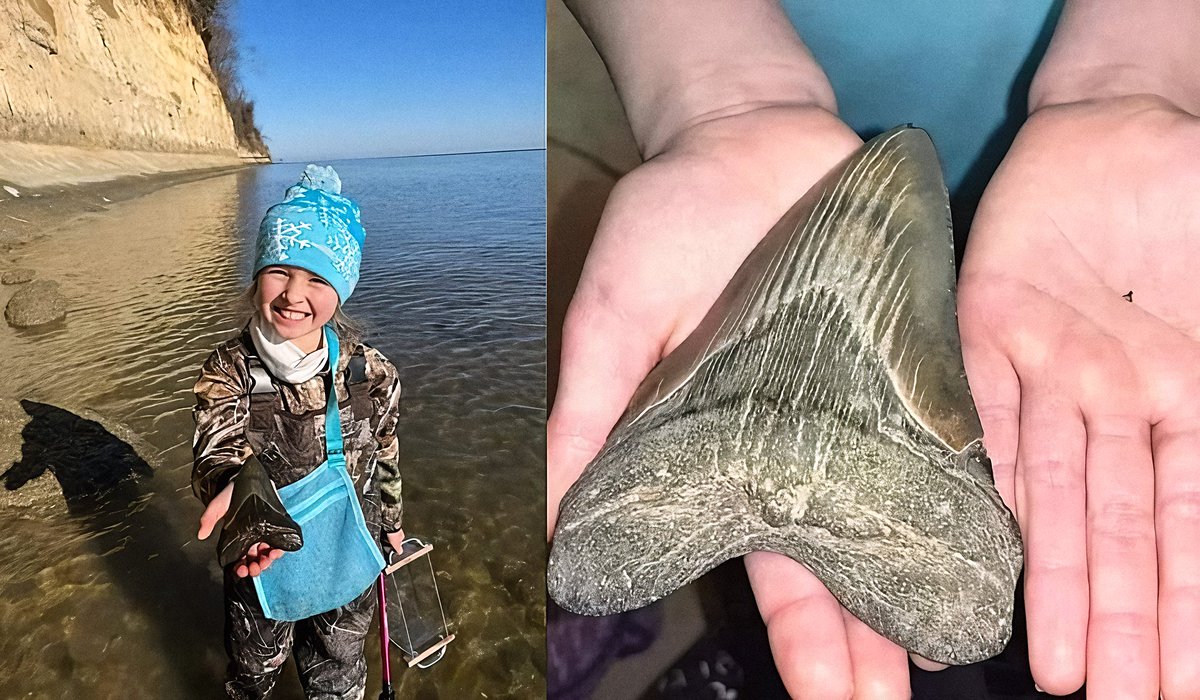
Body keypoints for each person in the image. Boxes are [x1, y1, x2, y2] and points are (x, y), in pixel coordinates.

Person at [547, 0, 1200, 697]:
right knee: (800, 610)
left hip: (1093, 158)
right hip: (780, 97)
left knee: (1061, 543)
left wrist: (1142, 69)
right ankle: (744, 645)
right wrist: (715, 88)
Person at [192, 165, 406, 699]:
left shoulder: (370, 372)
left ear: (342, 290)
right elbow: (215, 447)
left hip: (349, 553)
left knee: (338, 669)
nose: (293, 294)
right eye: (279, 271)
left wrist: (394, 524)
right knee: (253, 674)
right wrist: (234, 491)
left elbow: (385, 453)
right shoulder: (229, 369)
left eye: (317, 278)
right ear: (257, 275)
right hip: (260, 554)